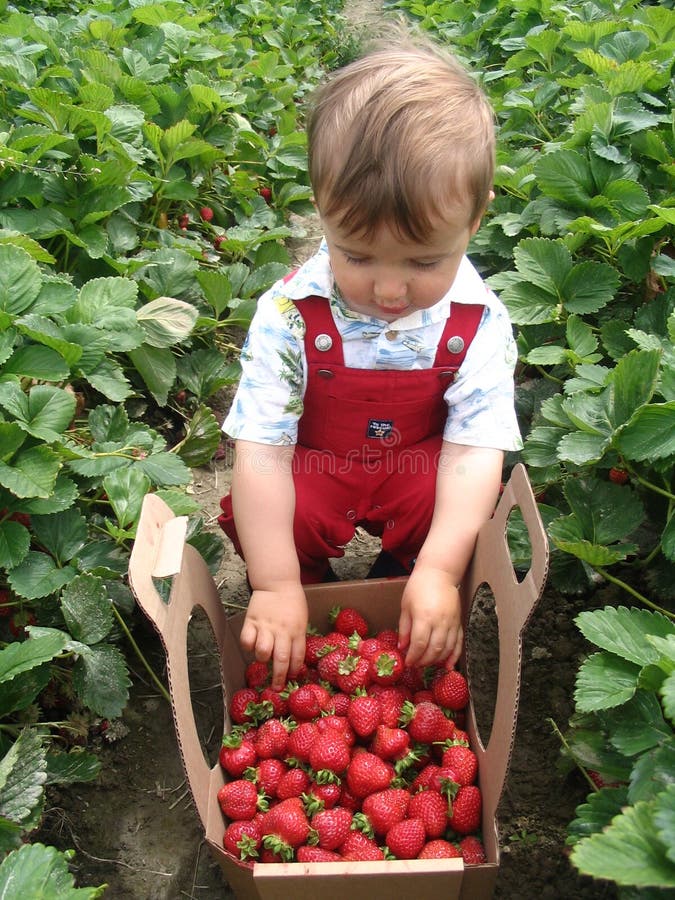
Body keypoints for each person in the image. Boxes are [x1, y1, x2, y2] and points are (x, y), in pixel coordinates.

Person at [218, 30, 522, 690]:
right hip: (317, 461)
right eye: (355, 255)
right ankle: (299, 587)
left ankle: (411, 580)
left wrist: (443, 568)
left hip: (419, 460)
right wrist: (269, 584)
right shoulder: (289, 313)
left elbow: (472, 453)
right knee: (278, 511)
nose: (388, 290)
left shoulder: (477, 323)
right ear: (320, 211)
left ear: (474, 221)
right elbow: (262, 450)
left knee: (451, 508)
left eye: (422, 262)